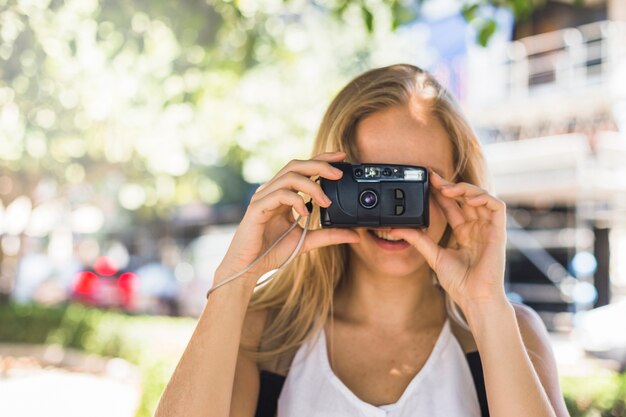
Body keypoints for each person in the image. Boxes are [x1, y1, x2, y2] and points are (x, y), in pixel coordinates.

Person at [155, 64, 570, 417]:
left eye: (414, 183)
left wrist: (484, 306)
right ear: (324, 181)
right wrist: (236, 278)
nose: (393, 212)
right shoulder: (264, 333)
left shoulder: (511, 332)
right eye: (370, 182)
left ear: (461, 187)